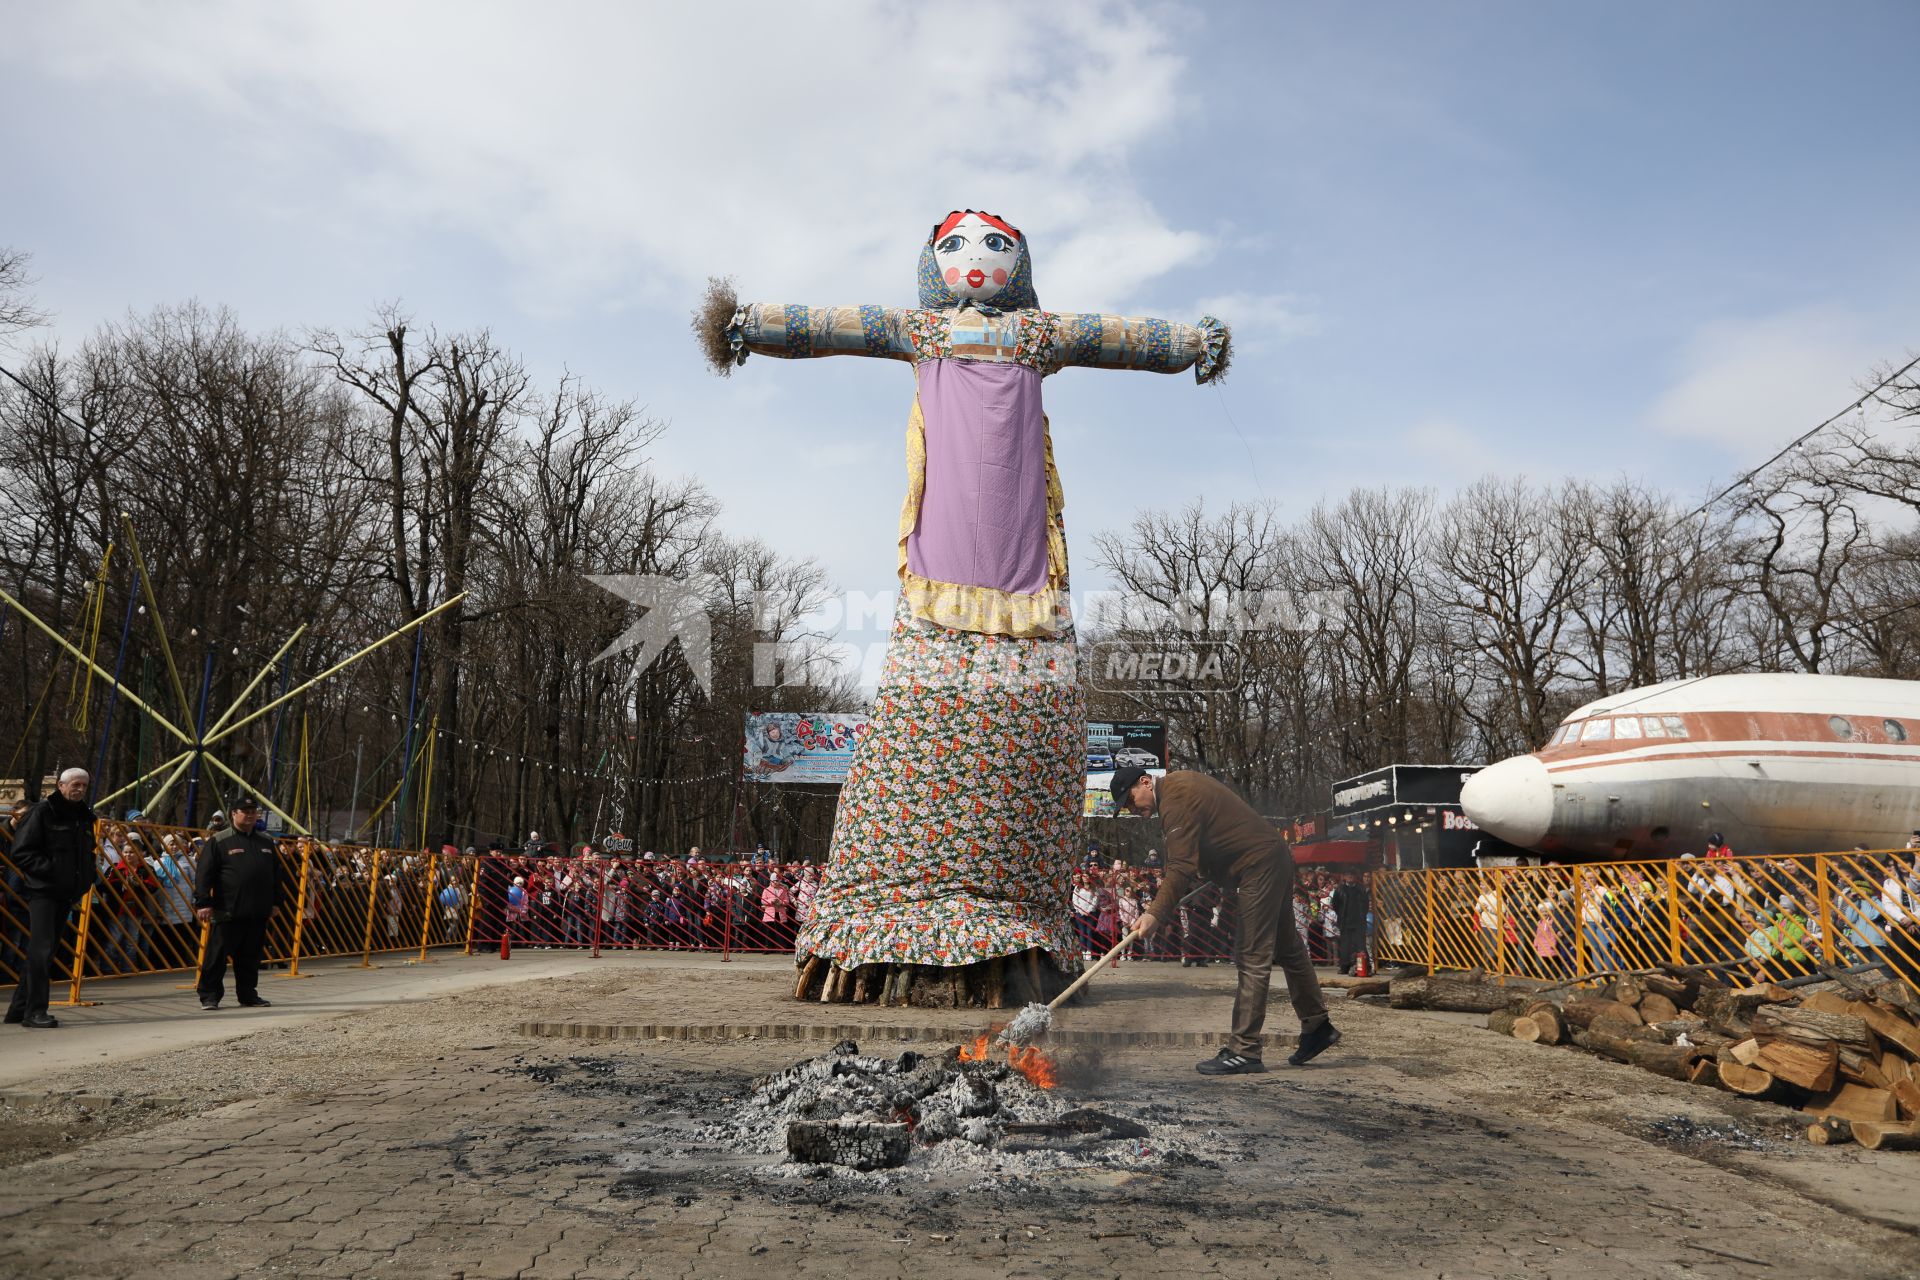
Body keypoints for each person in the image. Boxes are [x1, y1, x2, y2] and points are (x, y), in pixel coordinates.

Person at [1113, 766, 1337, 1075]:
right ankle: (1318, 1027)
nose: (1131, 808)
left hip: (1259, 866)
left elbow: (1180, 867)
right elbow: (1201, 852)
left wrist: (1153, 913)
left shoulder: (1175, 798)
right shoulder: (1180, 787)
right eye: (1125, 806)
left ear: (1145, 781)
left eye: (1130, 799)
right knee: (1288, 948)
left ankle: (1244, 1050)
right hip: (1271, 858)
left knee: (1252, 955)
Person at [6, 769, 100, 1028]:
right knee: (41, 950)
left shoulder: (84, 816)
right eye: (75, 784)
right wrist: (50, 871)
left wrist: (87, 876)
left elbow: (87, 853)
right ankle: (35, 1012)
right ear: (61, 785)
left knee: (44, 952)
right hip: (44, 891)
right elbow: (22, 851)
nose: (79, 789)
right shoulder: (42, 812)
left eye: (84, 785)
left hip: (67, 893)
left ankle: (19, 1009)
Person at [191, 795, 282, 1010]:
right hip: (228, 911)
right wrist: (203, 902)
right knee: (217, 957)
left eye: (253, 811)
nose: (250, 815)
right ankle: (209, 996)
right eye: (245, 811)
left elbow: (276, 875)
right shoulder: (220, 840)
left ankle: (248, 995)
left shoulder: (266, 841)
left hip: (257, 911)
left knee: (250, 958)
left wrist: (276, 901)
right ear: (233, 814)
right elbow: (205, 874)